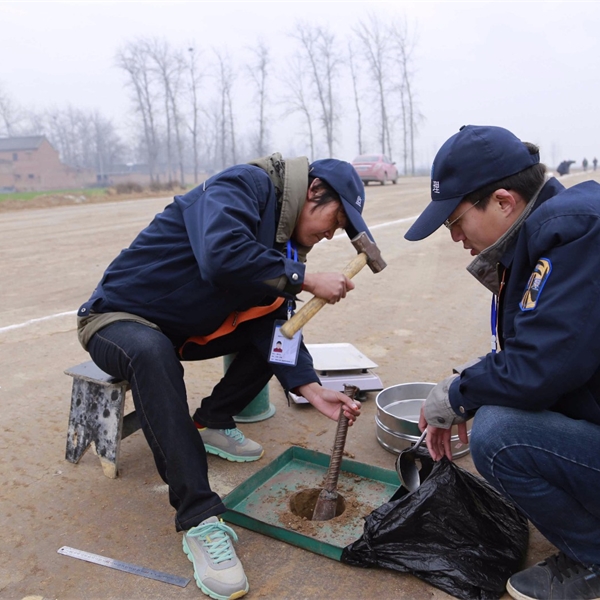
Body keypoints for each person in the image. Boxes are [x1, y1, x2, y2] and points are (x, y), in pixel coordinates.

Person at [76, 153, 367, 599]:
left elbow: (278, 324)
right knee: (152, 354)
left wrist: (308, 386)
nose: (331, 234)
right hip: (118, 319)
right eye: (336, 221)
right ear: (314, 192)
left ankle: (211, 420)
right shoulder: (243, 185)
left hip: (180, 329)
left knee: (272, 335)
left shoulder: (284, 241)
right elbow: (221, 256)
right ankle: (199, 518)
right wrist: (304, 277)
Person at [404, 125, 600, 600]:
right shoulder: (555, 228)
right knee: (497, 409)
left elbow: (537, 371)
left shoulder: (574, 232)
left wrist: (456, 396)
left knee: (497, 436)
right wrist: (470, 386)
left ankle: (595, 558)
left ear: (503, 201)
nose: (455, 237)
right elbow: (545, 348)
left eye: (455, 221)